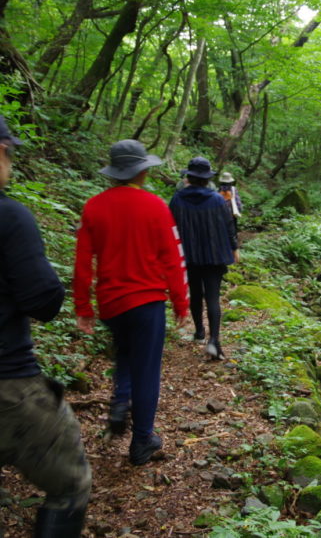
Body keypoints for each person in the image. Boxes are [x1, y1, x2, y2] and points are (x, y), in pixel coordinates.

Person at [0, 116, 91, 536]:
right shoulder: (10, 218)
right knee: (70, 481)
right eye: (9, 152)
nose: (12, 162)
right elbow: (44, 301)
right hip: (8, 380)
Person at [73, 139, 189, 466]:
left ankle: (121, 401)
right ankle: (142, 442)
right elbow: (173, 259)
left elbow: (82, 262)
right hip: (148, 302)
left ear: (113, 173)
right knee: (147, 370)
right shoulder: (156, 206)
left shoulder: (93, 207)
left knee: (125, 352)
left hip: (111, 303)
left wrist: (84, 307)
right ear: (141, 171)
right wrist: (181, 303)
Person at [170, 158, 238, 361]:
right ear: (207, 178)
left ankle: (199, 331)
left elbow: (170, 227)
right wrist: (234, 248)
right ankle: (214, 341)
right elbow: (228, 225)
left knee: (196, 293)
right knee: (213, 297)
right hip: (214, 255)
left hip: (189, 255)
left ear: (188, 177)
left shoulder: (177, 199)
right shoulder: (217, 199)